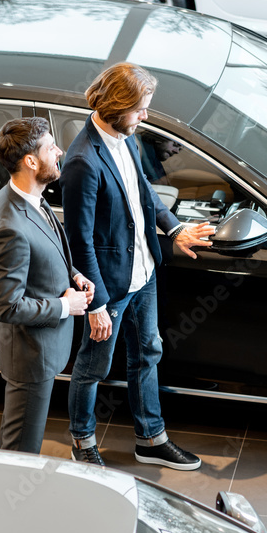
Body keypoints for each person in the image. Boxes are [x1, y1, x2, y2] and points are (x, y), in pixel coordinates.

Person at [61, 62, 215, 469]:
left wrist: (175, 228)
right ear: (117, 106)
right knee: (93, 366)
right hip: (109, 286)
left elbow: (142, 191)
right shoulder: (81, 161)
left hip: (143, 272)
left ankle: (151, 439)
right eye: (141, 108)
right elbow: (80, 240)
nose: (146, 115)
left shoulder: (125, 137)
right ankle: (82, 442)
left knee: (147, 353)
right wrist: (95, 305)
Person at [0, 117, 93, 454]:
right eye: (51, 147)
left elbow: (45, 246)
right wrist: (67, 306)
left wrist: (73, 274)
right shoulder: (9, 226)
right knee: (21, 450)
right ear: (31, 161)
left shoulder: (30, 195)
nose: (60, 151)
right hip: (31, 357)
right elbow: (7, 305)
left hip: (45, 347)